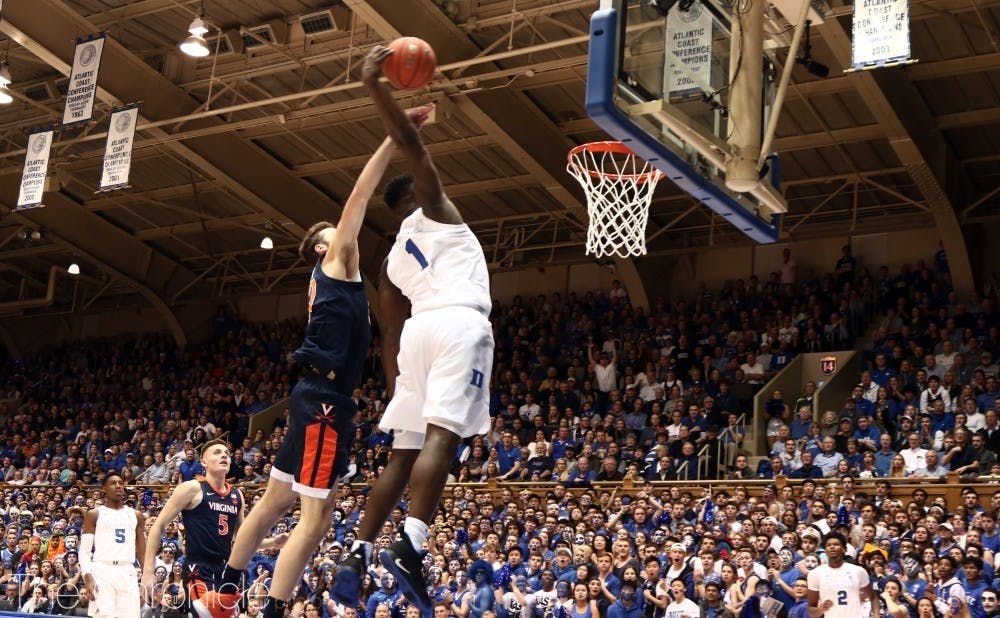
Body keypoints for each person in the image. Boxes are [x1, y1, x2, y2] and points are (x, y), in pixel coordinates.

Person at [219, 104, 432, 618]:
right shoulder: (336, 262)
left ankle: (222, 591)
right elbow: (358, 197)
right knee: (313, 521)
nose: (343, 236)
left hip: (316, 396)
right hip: (324, 405)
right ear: (322, 248)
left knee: (274, 502)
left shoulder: (329, 284)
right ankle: (269, 608)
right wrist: (393, 140)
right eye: (332, 235)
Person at [333, 46, 495, 616]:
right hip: (458, 325)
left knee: (402, 453)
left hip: (414, 340)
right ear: (415, 196)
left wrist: (399, 379)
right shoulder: (439, 213)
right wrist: (375, 84)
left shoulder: (391, 261)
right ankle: (412, 544)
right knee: (441, 440)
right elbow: (412, 146)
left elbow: (387, 330)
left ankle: (355, 553)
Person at [141, 440, 288, 618]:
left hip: (226, 570)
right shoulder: (192, 488)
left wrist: (273, 542)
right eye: (217, 452)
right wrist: (148, 571)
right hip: (198, 568)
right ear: (203, 462)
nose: (224, 455)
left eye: (227, 453)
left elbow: (243, 541)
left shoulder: (237, 495)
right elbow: (158, 526)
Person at [79, 472, 146, 618]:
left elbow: (142, 552)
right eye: (113, 483)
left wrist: (147, 577)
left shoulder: (136, 515)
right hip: (102, 569)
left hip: (127, 570)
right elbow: (84, 551)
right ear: (104, 488)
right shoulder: (94, 514)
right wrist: (87, 576)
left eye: (120, 483)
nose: (118, 486)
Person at [807, 533, 875, 618]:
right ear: (825, 550)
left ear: (844, 549)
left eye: (836, 544)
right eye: (828, 545)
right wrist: (821, 609)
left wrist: (876, 615)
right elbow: (811, 610)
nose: (832, 547)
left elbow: (873, 597)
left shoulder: (858, 571)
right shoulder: (815, 574)